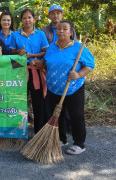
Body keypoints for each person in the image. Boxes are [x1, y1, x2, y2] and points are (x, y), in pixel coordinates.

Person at [34, 20, 95, 155]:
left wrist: (79, 74)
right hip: (53, 88)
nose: (61, 31)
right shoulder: (51, 48)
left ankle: (79, 143)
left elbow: (90, 65)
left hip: (73, 87)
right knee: (57, 115)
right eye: (59, 29)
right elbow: (46, 64)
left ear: (71, 32)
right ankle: (61, 139)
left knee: (76, 115)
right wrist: (38, 63)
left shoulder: (78, 48)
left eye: (64, 29)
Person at [10, 8, 49, 134]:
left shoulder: (40, 34)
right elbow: (11, 53)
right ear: (21, 20)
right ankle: (19, 130)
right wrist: (18, 52)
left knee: (38, 102)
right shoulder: (15, 35)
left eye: (29, 17)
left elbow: (45, 51)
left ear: (34, 19)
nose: (27, 20)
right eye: (24, 18)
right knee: (19, 101)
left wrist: (32, 56)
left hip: (35, 70)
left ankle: (39, 131)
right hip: (19, 71)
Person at [41, 4, 77, 126]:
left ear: (61, 15)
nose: (55, 15)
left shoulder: (70, 28)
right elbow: (44, 51)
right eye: (53, 13)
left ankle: (68, 126)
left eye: (58, 13)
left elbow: (74, 47)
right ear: (49, 15)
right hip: (49, 69)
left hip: (67, 71)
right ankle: (55, 127)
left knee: (68, 99)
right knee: (52, 100)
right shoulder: (44, 31)